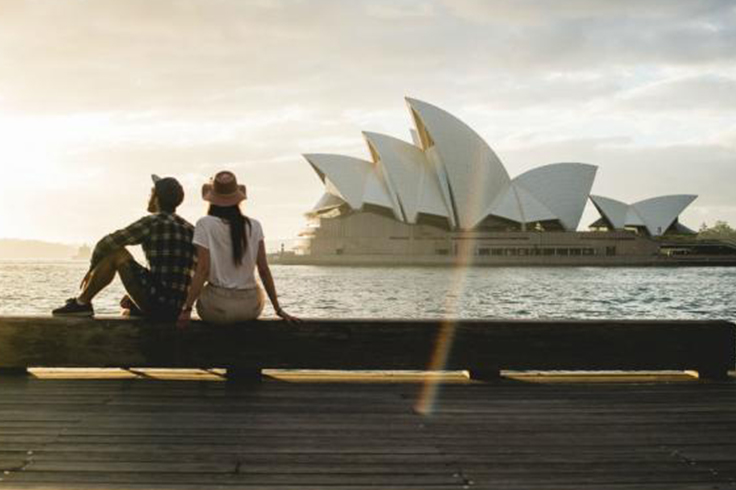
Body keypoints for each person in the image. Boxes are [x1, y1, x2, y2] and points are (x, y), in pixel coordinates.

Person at [52, 175, 196, 320]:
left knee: (117, 253)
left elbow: (107, 243)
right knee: (126, 312)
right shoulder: (190, 229)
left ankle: (82, 303)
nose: (148, 197)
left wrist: (92, 269)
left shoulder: (153, 222)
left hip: (157, 304)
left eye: (150, 193)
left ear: (156, 198)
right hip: (177, 309)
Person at [176, 171, 298, 328]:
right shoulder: (254, 225)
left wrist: (186, 309)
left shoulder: (204, 224)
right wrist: (278, 309)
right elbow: (263, 270)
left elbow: (203, 270)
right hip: (251, 307)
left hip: (218, 309)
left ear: (212, 199)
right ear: (237, 199)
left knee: (208, 296)